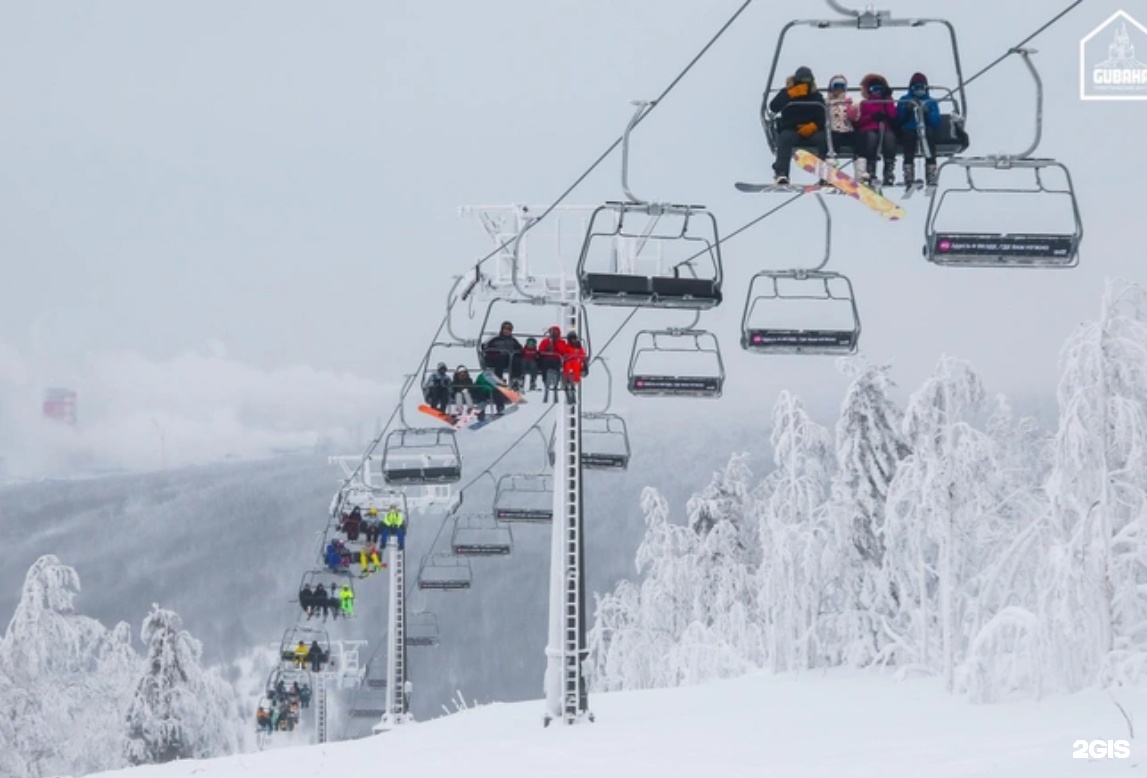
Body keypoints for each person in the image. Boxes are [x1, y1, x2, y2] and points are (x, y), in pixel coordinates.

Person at [766, 66, 828, 185]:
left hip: (811, 131)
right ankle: (782, 173)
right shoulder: (787, 93)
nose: (805, 84)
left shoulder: (816, 96)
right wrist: (789, 94)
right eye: (802, 81)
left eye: (808, 81)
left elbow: (823, 116)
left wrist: (814, 126)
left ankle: (824, 174)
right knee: (785, 138)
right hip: (791, 130)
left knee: (823, 139)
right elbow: (773, 107)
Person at [897, 72, 941, 186]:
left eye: (921, 87)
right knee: (909, 139)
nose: (919, 90)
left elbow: (935, 122)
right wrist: (906, 110)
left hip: (925, 128)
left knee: (929, 136)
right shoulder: (905, 100)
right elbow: (898, 120)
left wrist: (928, 112)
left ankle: (931, 172)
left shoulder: (931, 102)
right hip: (910, 128)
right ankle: (908, 173)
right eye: (916, 87)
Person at [856, 73, 899, 187]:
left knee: (890, 138)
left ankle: (888, 170)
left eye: (879, 89)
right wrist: (872, 117)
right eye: (874, 89)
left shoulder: (886, 102)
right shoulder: (865, 103)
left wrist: (888, 99)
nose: (877, 92)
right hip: (870, 128)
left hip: (885, 128)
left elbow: (893, 115)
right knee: (871, 138)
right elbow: (860, 121)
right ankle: (871, 170)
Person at [825, 74, 859, 163]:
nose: (839, 89)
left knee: (860, 142)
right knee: (832, 143)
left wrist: (852, 109)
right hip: (833, 130)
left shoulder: (849, 101)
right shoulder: (827, 102)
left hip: (847, 130)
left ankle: (861, 171)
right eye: (836, 86)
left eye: (842, 86)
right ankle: (831, 164)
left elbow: (854, 117)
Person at [481, 321, 524, 389]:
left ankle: (515, 380)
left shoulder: (513, 340)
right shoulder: (495, 339)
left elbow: (519, 348)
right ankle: (499, 379)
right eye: (505, 329)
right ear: (502, 329)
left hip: (508, 359)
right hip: (497, 359)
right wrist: (493, 353)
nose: (506, 331)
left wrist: (519, 352)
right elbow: (485, 347)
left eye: (508, 330)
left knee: (517, 361)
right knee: (500, 360)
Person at [538, 325, 568, 404]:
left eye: (556, 332)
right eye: (553, 332)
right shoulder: (545, 341)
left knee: (556, 367)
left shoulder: (562, 342)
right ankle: (546, 382)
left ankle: (555, 383)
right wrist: (547, 348)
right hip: (546, 359)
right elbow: (540, 350)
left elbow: (563, 351)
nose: (554, 334)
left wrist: (555, 345)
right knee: (545, 366)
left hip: (556, 359)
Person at [561, 330, 587, 404]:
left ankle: (575, 380)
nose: (574, 341)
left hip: (576, 362)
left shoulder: (579, 347)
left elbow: (583, 355)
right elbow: (564, 353)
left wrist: (582, 359)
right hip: (569, 362)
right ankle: (567, 379)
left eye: (574, 339)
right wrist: (567, 357)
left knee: (576, 366)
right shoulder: (567, 347)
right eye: (572, 339)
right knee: (567, 366)